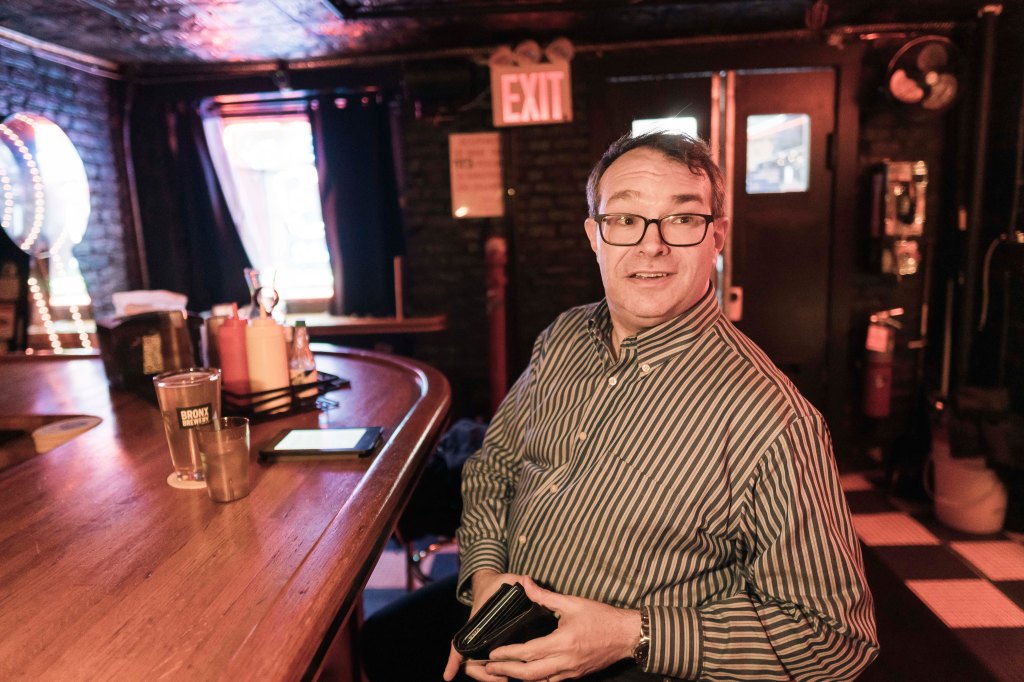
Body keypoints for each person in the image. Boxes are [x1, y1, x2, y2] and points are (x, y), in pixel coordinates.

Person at [363, 131, 878, 682]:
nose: (650, 245)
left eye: (682, 220)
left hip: (633, 662)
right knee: (382, 643)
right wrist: (486, 575)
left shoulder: (773, 420)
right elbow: (496, 467)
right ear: (595, 235)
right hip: (509, 612)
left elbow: (835, 639)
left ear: (717, 235)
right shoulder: (562, 337)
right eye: (625, 219)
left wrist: (629, 635)